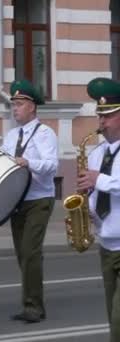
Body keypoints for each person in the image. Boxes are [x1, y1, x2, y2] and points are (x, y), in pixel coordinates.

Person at [0, 79, 58, 323]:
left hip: (39, 199)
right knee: (22, 254)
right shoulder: (12, 135)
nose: (15, 108)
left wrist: (29, 162)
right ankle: (30, 299)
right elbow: (2, 163)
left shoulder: (45, 134)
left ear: (32, 107)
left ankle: (34, 307)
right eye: (13, 104)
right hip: (17, 201)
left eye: (20, 104)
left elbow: (52, 166)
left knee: (30, 252)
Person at [77, 77, 120, 342]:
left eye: (108, 116)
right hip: (106, 244)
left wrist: (98, 180)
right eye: (99, 115)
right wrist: (85, 196)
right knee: (111, 314)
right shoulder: (97, 153)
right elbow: (93, 188)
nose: (101, 122)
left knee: (118, 323)